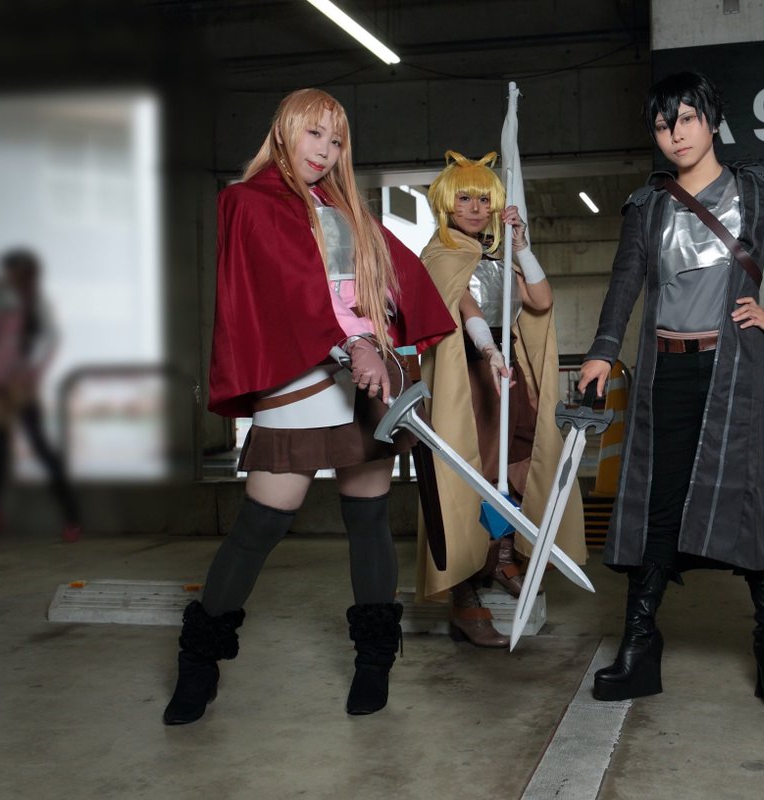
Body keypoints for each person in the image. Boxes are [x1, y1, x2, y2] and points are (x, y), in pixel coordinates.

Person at [163, 88, 454, 725]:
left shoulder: (343, 208)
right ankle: (199, 660)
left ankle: (374, 659)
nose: (324, 151)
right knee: (262, 524)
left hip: (367, 379)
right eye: (314, 134)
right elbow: (285, 289)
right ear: (284, 132)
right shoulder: (247, 201)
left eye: (336, 140)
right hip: (302, 373)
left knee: (368, 518)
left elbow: (393, 275)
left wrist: (393, 330)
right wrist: (353, 344)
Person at [578, 71, 764, 713]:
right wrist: (602, 352)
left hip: (736, 372)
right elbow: (624, 284)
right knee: (658, 503)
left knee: (757, 505)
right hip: (666, 374)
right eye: (663, 124)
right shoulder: (648, 205)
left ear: (712, 120)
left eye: (688, 118)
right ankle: (640, 645)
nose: (676, 134)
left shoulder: (757, 191)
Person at [415, 151, 586, 647]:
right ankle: (464, 587)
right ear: (446, 204)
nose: (475, 208)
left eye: (483, 199)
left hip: (507, 377)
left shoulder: (495, 257)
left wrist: (521, 247)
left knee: (517, 464)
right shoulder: (441, 256)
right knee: (466, 475)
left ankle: (502, 555)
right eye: (464, 198)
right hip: (467, 377)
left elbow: (541, 300)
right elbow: (466, 308)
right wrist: (489, 351)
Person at [0, 247, 81, 544]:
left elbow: (53, 338)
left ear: (28, 274)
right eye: (8, 271)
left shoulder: (37, 304)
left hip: (19, 386)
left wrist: (36, 371)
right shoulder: (0, 299)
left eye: (15, 272)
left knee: (41, 446)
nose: (9, 277)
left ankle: (72, 516)